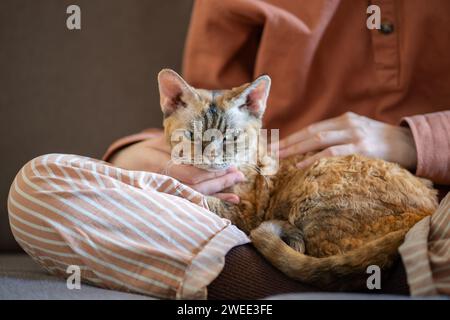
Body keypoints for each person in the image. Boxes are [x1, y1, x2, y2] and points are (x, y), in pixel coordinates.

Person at [8, 0, 450, 299]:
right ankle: (375, 272)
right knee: (38, 189)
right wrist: (139, 162)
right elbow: (203, 105)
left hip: (437, 210)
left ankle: (267, 276)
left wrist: (418, 140)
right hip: (264, 187)